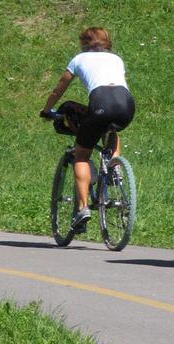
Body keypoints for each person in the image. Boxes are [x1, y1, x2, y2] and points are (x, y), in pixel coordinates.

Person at [41, 27, 135, 233]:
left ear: (83, 43)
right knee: (111, 129)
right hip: (126, 104)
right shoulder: (116, 59)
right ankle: (114, 167)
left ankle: (83, 208)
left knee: (82, 155)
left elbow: (59, 89)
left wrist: (46, 110)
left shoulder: (79, 59)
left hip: (101, 101)